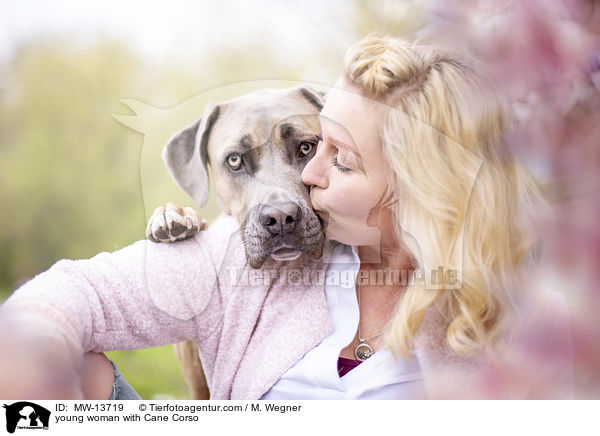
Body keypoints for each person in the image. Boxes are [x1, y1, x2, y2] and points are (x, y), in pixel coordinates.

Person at [0, 35, 572, 400]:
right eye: (240, 164)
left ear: (411, 178)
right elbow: (73, 291)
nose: (297, 187)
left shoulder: (506, 291)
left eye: (325, 154)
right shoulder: (223, 253)